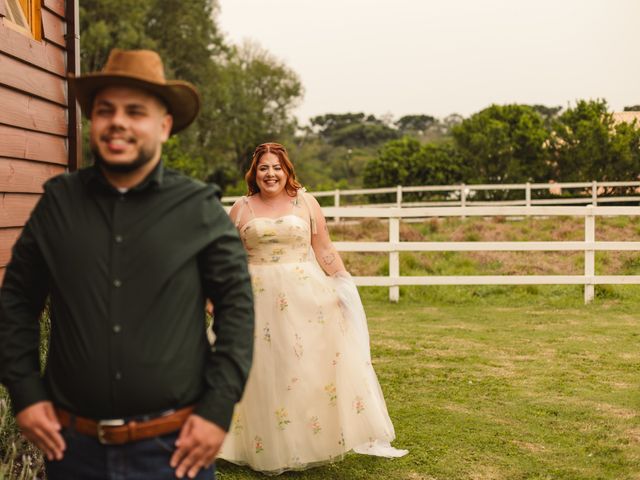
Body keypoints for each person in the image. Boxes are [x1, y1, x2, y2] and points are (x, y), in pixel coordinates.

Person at [0, 49, 254, 480]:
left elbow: (237, 309)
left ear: (165, 125)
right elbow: (17, 302)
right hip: (72, 450)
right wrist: (25, 393)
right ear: (93, 122)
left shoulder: (198, 208)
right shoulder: (58, 202)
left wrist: (216, 409)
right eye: (105, 110)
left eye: (135, 111)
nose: (118, 121)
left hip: (174, 452)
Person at [218, 142, 407, 474]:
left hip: (304, 297)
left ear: (287, 170)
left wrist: (343, 282)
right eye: (263, 168)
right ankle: (262, 445)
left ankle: (304, 441)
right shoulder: (242, 208)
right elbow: (227, 258)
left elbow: (324, 248)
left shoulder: (305, 203)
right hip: (255, 298)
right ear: (254, 173)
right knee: (261, 370)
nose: (270, 173)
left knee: (300, 368)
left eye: (277, 167)